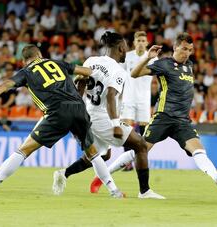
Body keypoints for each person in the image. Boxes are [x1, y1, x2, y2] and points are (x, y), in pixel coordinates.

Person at [90, 33, 217, 195]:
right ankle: (102, 176)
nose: (187, 53)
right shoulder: (164, 64)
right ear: (175, 47)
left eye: (190, 50)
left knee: (198, 150)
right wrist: (148, 57)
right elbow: (134, 74)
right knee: (139, 152)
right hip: (163, 117)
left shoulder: (189, 65)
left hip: (182, 121)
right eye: (184, 49)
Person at [0, 44, 124, 198]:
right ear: (40, 54)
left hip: (57, 112)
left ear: (25, 61)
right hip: (79, 108)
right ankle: (114, 191)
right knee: (93, 154)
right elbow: (88, 72)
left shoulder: (27, 72)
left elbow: (5, 85)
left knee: (24, 150)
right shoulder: (57, 63)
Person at [52, 32, 164, 199]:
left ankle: (63, 173)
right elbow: (111, 95)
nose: (126, 51)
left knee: (103, 155)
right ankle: (145, 191)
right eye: (125, 47)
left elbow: (80, 84)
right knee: (140, 145)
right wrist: (115, 124)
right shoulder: (118, 70)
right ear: (120, 48)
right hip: (103, 117)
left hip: (88, 113)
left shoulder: (91, 60)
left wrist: (76, 112)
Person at [120, 31, 155, 171]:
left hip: (144, 100)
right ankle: (126, 163)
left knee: (144, 133)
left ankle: (141, 160)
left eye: (143, 41)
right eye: (138, 40)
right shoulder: (127, 57)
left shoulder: (152, 58)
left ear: (147, 43)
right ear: (134, 43)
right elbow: (120, 77)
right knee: (126, 130)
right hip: (128, 98)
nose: (140, 43)